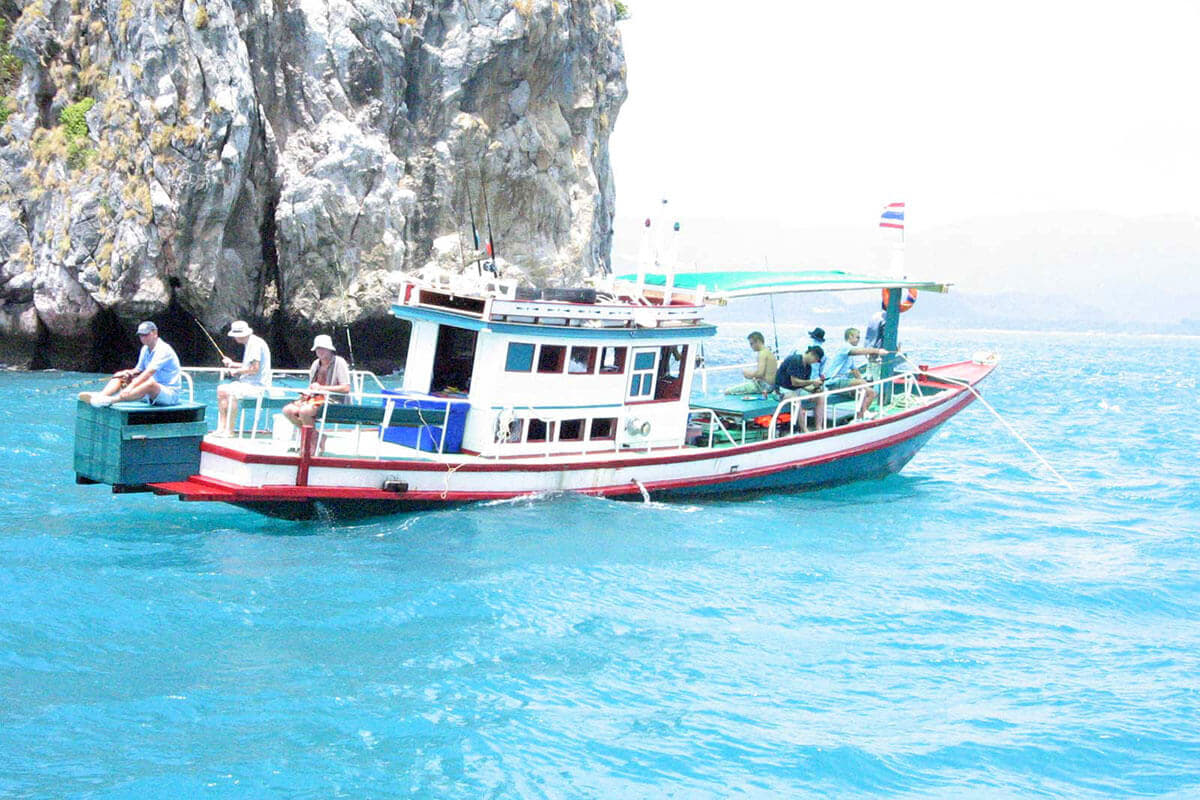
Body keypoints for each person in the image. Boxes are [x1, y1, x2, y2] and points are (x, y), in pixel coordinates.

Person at [82, 321, 182, 407]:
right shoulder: (145, 349)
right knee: (120, 375)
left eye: (146, 335)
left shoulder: (164, 350)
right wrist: (128, 373)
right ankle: (102, 396)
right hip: (149, 393)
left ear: (155, 333)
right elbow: (138, 370)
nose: (143, 338)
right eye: (141, 335)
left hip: (169, 395)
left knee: (149, 383)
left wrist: (130, 387)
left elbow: (148, 373)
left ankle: (112, 400)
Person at [282, 335, 352, 450]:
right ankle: (316, 436)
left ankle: (311, 444)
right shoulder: (316, 364)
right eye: (318, 348)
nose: (320, 351)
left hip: (334, 400)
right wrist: (310, 391)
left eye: (323, 348)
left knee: (305, 411)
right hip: (316, 398)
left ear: (330, 349)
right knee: (288, 410)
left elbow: (346, 388)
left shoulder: (339, 363)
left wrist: (322, 388)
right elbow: (313, 387)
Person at [215, 320, 272, 436]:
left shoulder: (255, 344)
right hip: (247, 383)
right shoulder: (251, 342)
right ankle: (221, 427)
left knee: (232, 393)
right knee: (221, 390)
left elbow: (254, 369)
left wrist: (237, 371)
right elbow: (249, 365)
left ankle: (229, 431)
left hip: (257, 386)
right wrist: (232, 364)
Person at [824, 327, 895, 419]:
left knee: (870, 393)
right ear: (850, 336)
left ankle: (860, 416)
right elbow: (859, 351)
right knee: (861, 384)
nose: (859, 340)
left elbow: (855, 370)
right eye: (857, 337)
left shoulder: (850, 356)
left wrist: (866, 386)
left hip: (842, 383)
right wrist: (877, 351)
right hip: (834, 381)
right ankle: (865, 412)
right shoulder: (845, 347)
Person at [772, 346, 826, 431]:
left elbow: (804, 384)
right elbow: (795, 382)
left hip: (796, 390)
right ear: (812, 355)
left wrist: (815, 388)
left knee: (820, 396)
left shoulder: (808, 367)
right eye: (816, 360)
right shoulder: (795, 360)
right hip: (782, 390)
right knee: (795, 399)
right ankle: (804, 429)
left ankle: (819, 427)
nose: (815, 362)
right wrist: (812, 382)